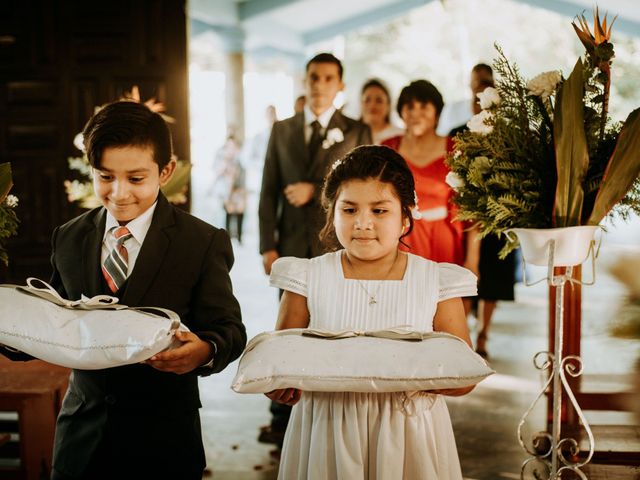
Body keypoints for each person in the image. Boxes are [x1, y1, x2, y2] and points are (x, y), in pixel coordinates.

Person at [2, 100, 246, 479]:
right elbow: (48, 322)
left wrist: (205, 351)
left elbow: (229, 328)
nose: (118, 193)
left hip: (163, 439)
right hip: (81, 439)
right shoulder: (68, 237)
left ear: (165, 171)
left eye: (135, 179)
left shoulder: (201, 241)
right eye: (105, 177)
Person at [266, 145, 477, 479]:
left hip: (410, 432)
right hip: (327, 427)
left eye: (379, 211)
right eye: (349, 210)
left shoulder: (435, 281)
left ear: (406, 217)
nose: (363, 223)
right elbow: (280, 360)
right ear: (332, 213)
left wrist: (421, 375)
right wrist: (280, 383)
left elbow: (463, 373)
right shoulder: (306, 278)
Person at [258, 53, 372, 447]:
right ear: (304, 82)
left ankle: (331, 400)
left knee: (333, 322)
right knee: (289, 323)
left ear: (340, 85)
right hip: (290, 243)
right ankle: (282, 411)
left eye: (327, 78)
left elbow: (362, 186)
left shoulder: (356, 130)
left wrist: (313, 188)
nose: (319, 85)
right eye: (313, 78)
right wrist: (266, 244)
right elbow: (268, 188)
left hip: (335, 243)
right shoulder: (282, 130)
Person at [449, 65, 517, 358]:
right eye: (474, 85)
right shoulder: (458, 133)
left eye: (485, 84)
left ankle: (484, 333)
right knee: (464, 279)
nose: (479, 91)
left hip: (500, 217)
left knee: (494, 281)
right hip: (465, 217)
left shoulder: (509, 134)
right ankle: (462, 336)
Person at [382, 80, 479, 272]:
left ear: (436, 113)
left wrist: (473, 260)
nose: (416, 113)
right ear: (401, 112)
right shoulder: (388, 148)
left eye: (424, 106)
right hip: (400, 240)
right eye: (410, 107)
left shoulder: (456, 149)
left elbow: (473, 209)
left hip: (444, 241)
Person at [360, 78, 403, 144]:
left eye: (379, 101)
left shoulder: (400, 136)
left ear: (388, 105)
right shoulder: (350, 135)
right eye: (367, 100)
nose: (372, 105)